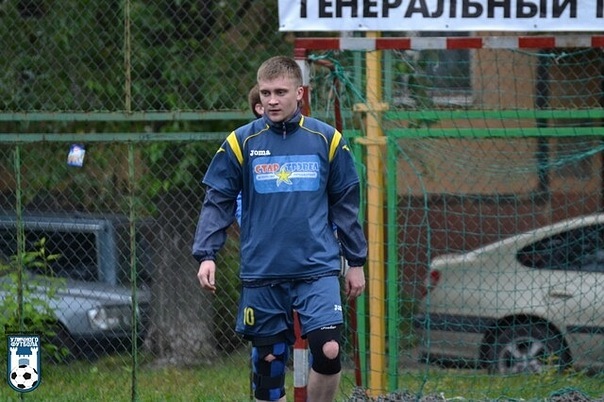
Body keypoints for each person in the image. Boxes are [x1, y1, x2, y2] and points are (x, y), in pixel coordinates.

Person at [192, 55, 367, 402]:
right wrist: (206, 254)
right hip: (264, 271)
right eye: (266, 92)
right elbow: (218, 200)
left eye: (280, 92)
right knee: (269, 365)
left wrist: (356, 261)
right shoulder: (241, 142)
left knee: (329, 350)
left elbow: (345, 205)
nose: (272, 100)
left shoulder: (327, 140)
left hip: (316, 268)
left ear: (299, 93)